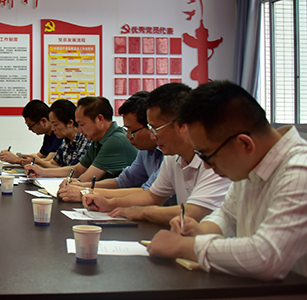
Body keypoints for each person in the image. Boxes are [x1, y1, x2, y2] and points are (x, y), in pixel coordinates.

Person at [146, 81, 307, 300]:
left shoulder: (299, 171)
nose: (207, 165)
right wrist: (200, 229)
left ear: (244, 143)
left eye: (207, 155)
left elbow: (265, 255)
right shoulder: (252, 163)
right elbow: (228, 215)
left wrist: (182, 246)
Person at [82, 83, 230, 225]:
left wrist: (142, 212)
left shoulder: (215, 159)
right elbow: (152, 196)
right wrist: (109, 203)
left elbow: (192, 213)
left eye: (155, 128)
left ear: (182, 125)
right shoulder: (173, 157)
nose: (153, 136)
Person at [58, 91, 163, 202]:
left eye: (132, 131)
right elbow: (123, 182)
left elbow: (149, 193)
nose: (128, 136)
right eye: (127, 130)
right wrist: (82, 186)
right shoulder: (145, 151)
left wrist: (85, 191)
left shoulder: (168, 153)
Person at [26, 96, 136, 182]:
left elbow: (85, 178)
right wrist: (42, 172)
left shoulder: (115, 141)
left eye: (82, 124)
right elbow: (77, 170)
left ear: (99, 119)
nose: (79, 130)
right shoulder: (97, 140)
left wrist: (72, 184)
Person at [0, 100, 63, 165]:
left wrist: (18, 160)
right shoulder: (48, 135)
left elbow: (49, 162)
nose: (29, 129)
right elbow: (39, 156)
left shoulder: (58, 134)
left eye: (30, 125)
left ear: (43, 121)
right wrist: (19, 157)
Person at [34, 99, 90, 169]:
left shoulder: (85, 139)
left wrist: (40, 163)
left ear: (70, 123)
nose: (52, 129)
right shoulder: (66, 140)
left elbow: (74, 170)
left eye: (55, 125)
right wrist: (36, 164)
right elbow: (54, 163)